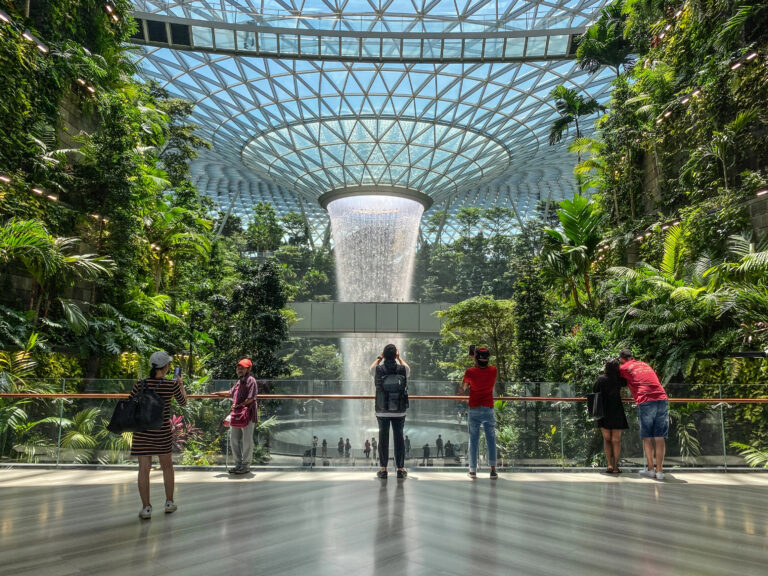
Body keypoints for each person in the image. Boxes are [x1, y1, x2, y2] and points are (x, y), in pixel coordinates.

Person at [131, 350, 188, 519]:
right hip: (161, 431)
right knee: (167, 467)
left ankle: (146, 508)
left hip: (141, 431)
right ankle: (169, 502)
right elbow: (184, 402)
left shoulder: (140, 384)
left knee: (143, 469)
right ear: (166, 367)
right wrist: (180, 384)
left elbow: (131, 403)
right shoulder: (170, 385)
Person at [618, 350, 669, 480]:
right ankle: (659, 472)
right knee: (659, 437)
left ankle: (651, 469)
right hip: (662, 398)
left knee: (647, 437)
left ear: (622, 359)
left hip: (646, 401)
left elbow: (614, 376)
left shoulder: (624, 367)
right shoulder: (645, 365)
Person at [370, 343, 410, 479]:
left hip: (382, 410)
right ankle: (400, 469)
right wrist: (400, 358)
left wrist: (379, 357)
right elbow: (408, 368)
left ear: (384, 355)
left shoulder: (378, 369)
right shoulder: (403, 369)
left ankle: (383, 470)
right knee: (399, 439)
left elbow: (370, 369)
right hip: (399, 410)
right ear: (396, 355)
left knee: (383, 439)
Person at [213, 358, 258, 475]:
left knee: (247, 441)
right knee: (234, 439)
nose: (239, 369)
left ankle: (245, 466)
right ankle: (238, 465)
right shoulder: (239, 382)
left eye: (242, 367)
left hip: (248, 414)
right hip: (238, 414)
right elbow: (230, 392)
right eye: (238, 367)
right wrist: (216, 393)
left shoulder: (251, 380)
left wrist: (238, 405)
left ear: (248, 369)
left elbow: (251, 398)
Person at [460, 347, 498, 479]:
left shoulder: (470, 372)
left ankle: (472, 471)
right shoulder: (493, 370)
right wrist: (476, 359)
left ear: (476, 358)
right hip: (488, 408)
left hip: (474, 409)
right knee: (491, 439)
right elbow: (483, 369)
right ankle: (493, 470)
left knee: (473, 440)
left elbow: (463, 388)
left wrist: (474, 361)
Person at [594, 360, 629, 473]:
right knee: (616, 440)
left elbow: (594, 391)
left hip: (603, 411)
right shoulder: (618, 380)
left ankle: (608, 464)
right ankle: (615, 466)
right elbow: (626, 381)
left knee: (607, 439)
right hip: (617, 411)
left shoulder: (600, 379)